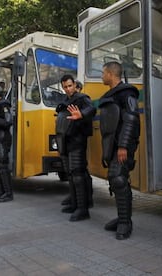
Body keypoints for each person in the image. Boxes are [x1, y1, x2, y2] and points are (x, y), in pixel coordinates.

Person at [98, 61, 140, 240]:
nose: (101, 76)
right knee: (116, 180)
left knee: (118, 178)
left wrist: (123, 145)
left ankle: (125, 223)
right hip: (113, 144)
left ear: (110, 74)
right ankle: (123, 218)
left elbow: (131, 119)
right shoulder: (111, 95)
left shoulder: (127, 93)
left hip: (123, 145)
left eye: (103, 73)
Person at [56, 75, 96, 221]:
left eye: (70, 86)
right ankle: (75, 204)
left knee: (78, 175)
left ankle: (83, 209)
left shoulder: (82, 98)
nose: (68, 89)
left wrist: (81, 114)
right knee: (71, 175)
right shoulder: (64, 101)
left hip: (77, 141)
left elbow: (92, 109)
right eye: (65, 87)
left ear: (74, 85)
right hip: (65, 141)